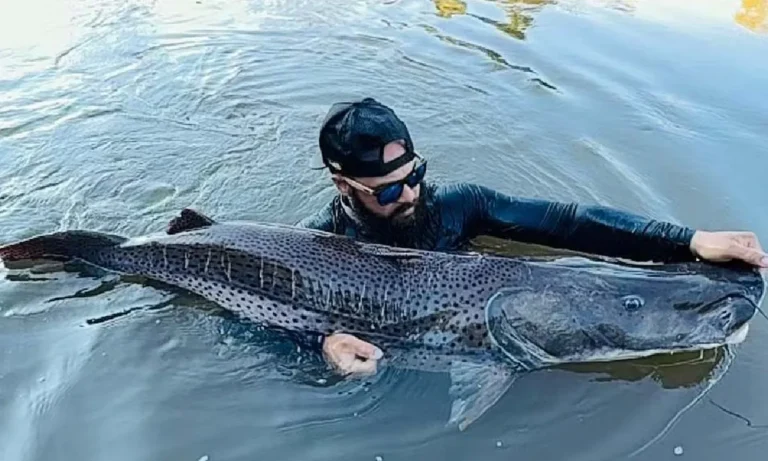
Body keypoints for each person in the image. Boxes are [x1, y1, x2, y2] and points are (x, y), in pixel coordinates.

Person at [297, 97, 768, 376]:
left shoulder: (462, 206)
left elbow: (570, 222)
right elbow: (253, 317)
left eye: (416, 174)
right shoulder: (315, 247)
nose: (411, 194)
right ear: (343, 185)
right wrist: (320, 346)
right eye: (391, 190)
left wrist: (688, 240)